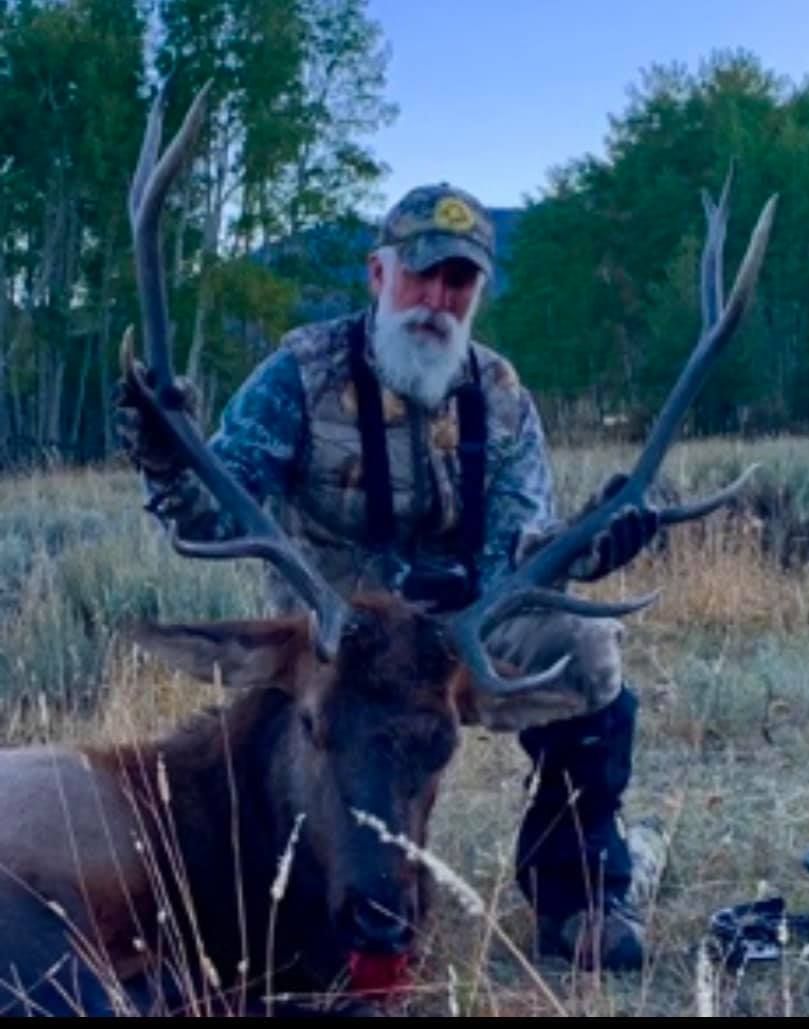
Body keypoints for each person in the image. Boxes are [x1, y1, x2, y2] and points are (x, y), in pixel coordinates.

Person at [114, 183, 660, 971]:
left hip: (450, 637)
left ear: (477, 292)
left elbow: (518, 545)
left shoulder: (500, 395)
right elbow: (212, 519)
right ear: (379, 273)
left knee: (585, 646)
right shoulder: (301, 373)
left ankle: (579, 895)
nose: (436, 299)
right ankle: (297, 899)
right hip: (337, 641)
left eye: (458, 281)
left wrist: (584, 546)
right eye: (420, 274)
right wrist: (168, 459)